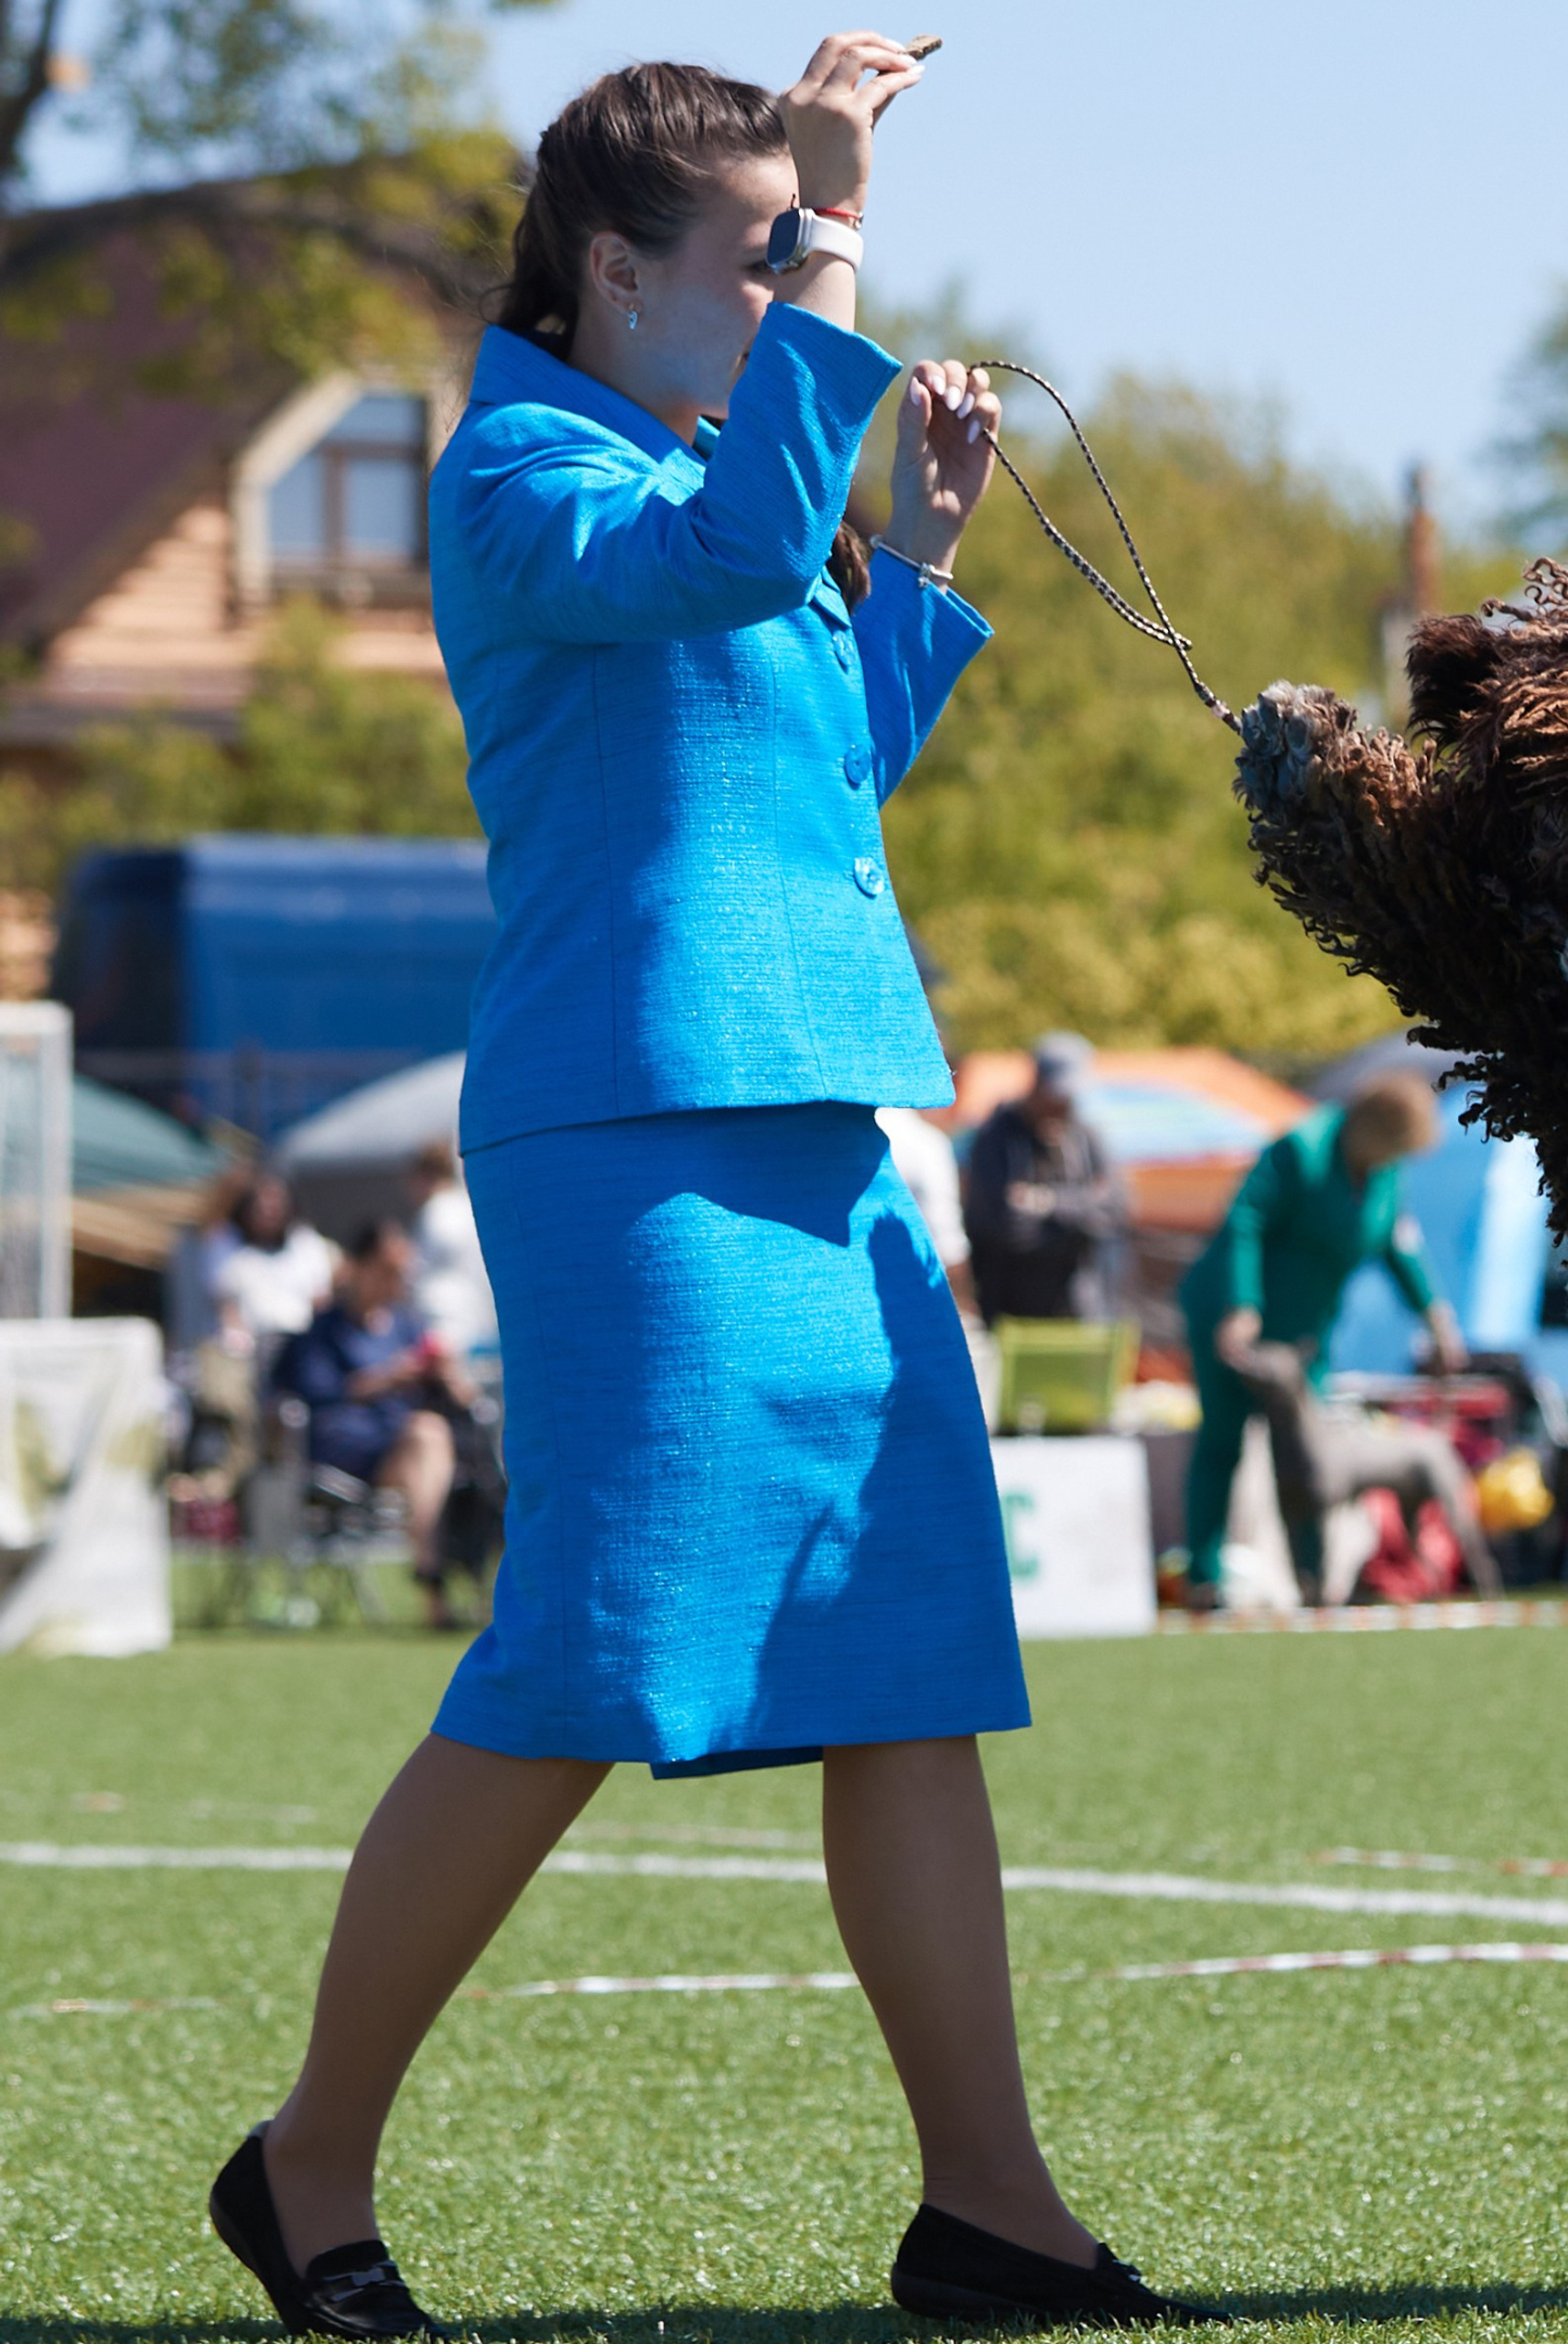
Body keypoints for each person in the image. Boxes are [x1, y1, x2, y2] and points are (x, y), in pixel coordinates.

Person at [202, 49, 1207, 2343]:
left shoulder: (687, 466)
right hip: (631, 1141)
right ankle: (309, 2161)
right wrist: (844, 220)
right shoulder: (515, 472)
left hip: (818, 1119)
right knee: (584, 1660)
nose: (789, 281)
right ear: (612, 268)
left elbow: (819, 779)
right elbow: (748, 552)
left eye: (799, 245)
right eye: (756, 251)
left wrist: (925, 558)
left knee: (914, 1663)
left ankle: (991, 2207)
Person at [1178, 1073, 1468, 1609]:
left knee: (1306, 1457)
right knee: (1223, 1441)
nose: (1397, 1159)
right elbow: (1245, 1221)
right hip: (1232, 1321)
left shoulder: (1384, 1175)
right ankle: (1203, 1576)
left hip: (1304, 1337)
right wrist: (1242, 1305)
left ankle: (1312, 1583)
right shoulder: (1299, 1150)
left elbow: (1398, 1244)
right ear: (1369, 1126)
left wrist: (1434, 1313)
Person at [271, 1221, 475, 1631]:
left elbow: (466, 1400)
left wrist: (449, 1375)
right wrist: (394, 1376)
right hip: (346, 1446)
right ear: (359, 1268)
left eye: (403, 1271)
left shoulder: (406, 1325)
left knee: (434, 1437)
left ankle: (436, 1573)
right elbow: (318, 1391)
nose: (398, 1281)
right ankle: (434, 1580)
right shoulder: (324, 1328)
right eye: (388, 1269)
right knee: (427, 1435)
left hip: (406, 1447)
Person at [961, 1032, 1126, 1323]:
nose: (1061, 1106)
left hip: (1080, 1309)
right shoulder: (997, 1138)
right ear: (1036, 1085)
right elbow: (1009, 1228)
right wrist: (1083, 1209)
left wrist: (1044, 1202)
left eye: (1068, 1098)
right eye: (1055, 1097)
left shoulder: (1085, 1136)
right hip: (1012, 1313)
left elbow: (1117, 1209)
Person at [209, 1171, 337, 1351]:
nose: (269, 1211)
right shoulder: (228, 1249)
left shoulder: (306, 1244)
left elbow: (322, 1301)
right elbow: (226, 1307)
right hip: (253, 1348)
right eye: (261, 1206)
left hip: (302, 1344)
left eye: (277, 1205)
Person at [876, 1103, 977, 1317]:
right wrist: (964, 1303)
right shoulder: (925, 1143)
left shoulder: (845, 1136)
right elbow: (948, 1241)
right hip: (910, 1291)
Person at [405, 1138, 497, 1362]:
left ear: (422, 1176)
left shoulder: (434, 1213)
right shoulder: (468, 1208)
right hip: (480, 1323)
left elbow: (415, 1272)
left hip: (442, 1327)